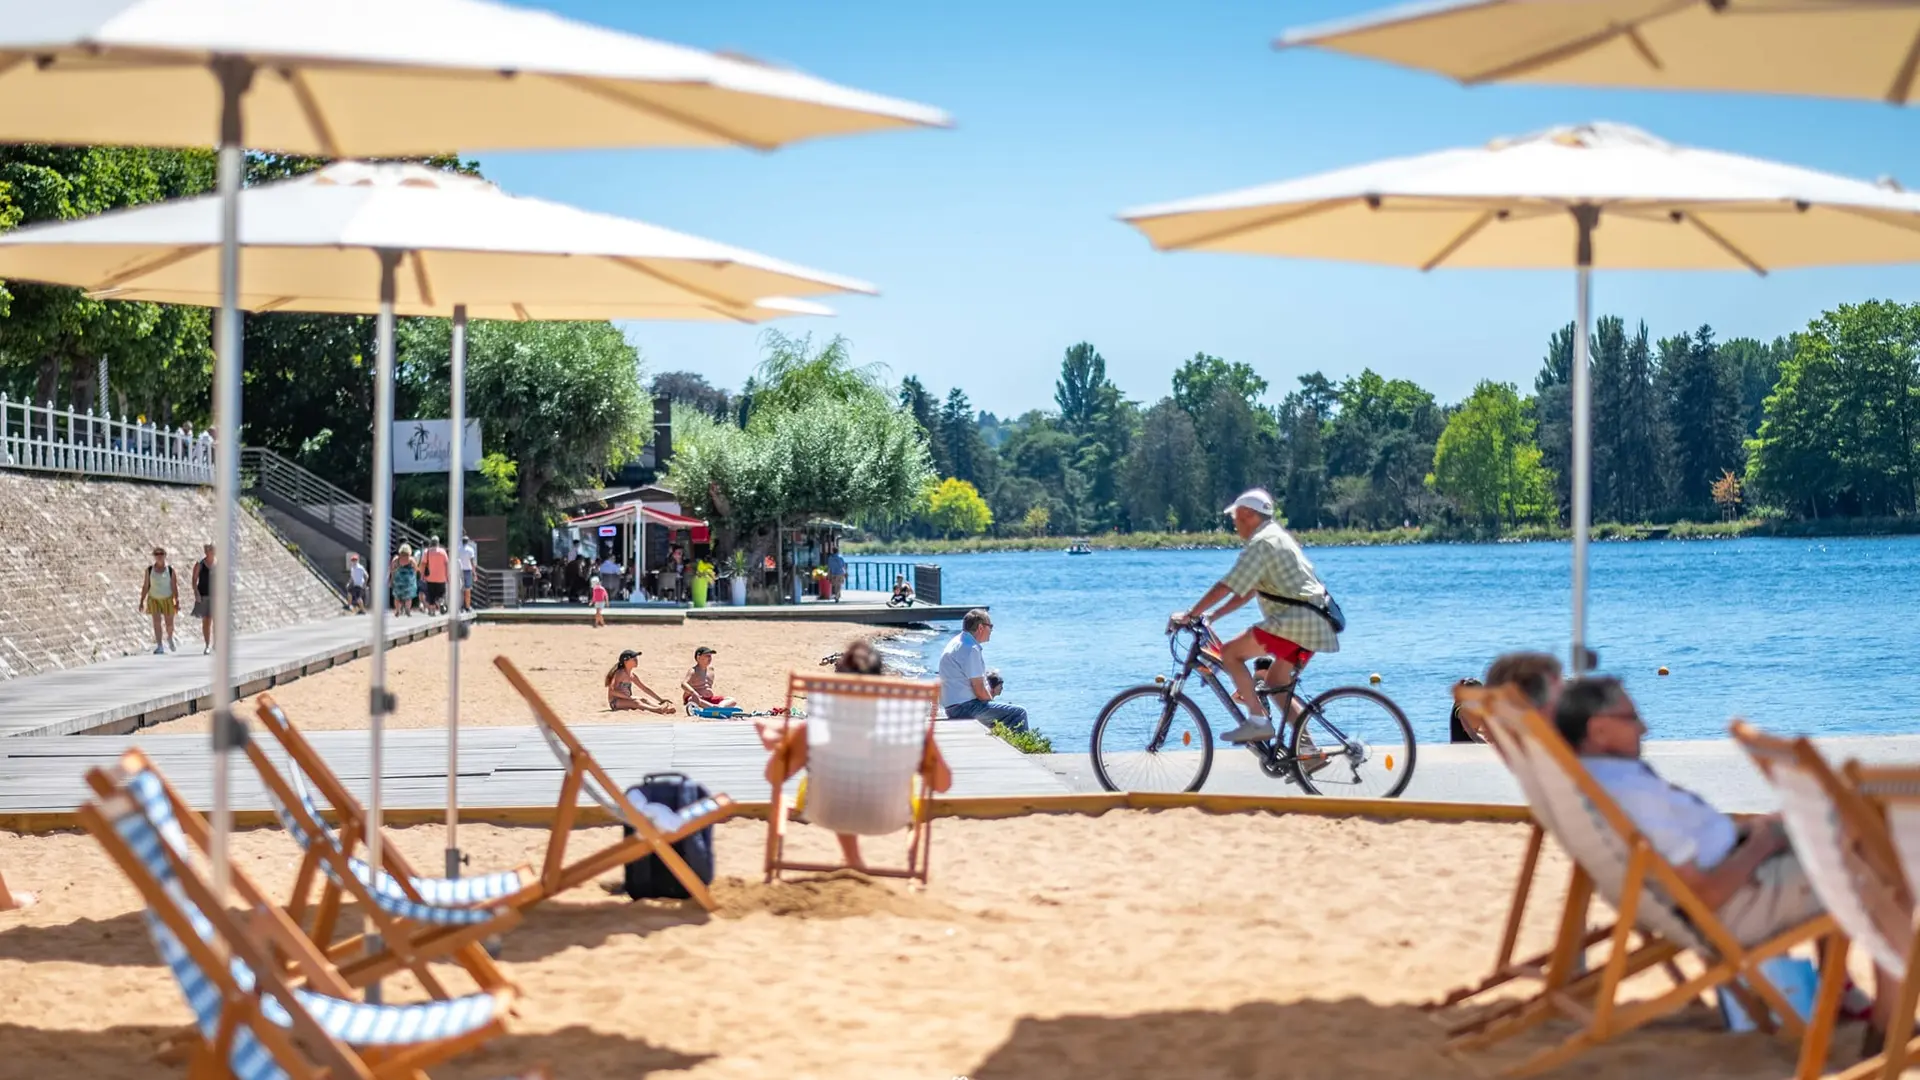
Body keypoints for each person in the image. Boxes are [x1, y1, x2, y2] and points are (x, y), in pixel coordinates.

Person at [1553, 676, 1892, 1031]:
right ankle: (1885, 1027)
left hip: (1721, 872)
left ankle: (1838, 988)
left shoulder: (1598, 782)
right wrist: (1762, 845)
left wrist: (1749, 832)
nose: (1644, 727)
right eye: (1631, 718)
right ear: (1600, 730)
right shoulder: (1631, 795)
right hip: (1736, 902)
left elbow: (1682, 850)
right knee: (1879, 867)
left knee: (1843, 818)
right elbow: (1707, 894)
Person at [759, 639, 953, 873]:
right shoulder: (910, 729)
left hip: (828, 812)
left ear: (837, 682)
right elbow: (942, 784)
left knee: (842, 776)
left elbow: (773, 776)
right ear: (879, 680)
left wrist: (783, 744)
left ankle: (852, 859)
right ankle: (907, 866)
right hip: (891, 814)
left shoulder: (814, 730)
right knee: (865, 777)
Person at [1175, 488, 1340, 744]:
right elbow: (1248, 590)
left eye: (1236, 518)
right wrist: (1212, 616)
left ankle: (1258, 721)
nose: (1234, 524)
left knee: (1230, 653)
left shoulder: (1261, 542)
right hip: (1313, 621)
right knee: (1275, 683)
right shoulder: (1276, 536)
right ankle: (1307, 752)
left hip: (1295, 622)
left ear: (1249, 515)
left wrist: (1190, 614)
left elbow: (1227, 585)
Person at [938, 609, 1031, 732]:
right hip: (965, 708)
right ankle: (1024, 749)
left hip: (953, 707)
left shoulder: (957, 642)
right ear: (981, 627)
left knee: (1002, 711)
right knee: (1018, 713)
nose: (992, 630)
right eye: (990, 626)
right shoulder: (970, 649)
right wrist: (992, 703)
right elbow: (980, 691)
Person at [138, 546, 179, 655]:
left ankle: (170, 637)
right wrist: (142, 600)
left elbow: (174, 586)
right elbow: (146, 585)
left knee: (169, 624)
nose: (159, 556)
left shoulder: (170, 570)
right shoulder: (149, 570)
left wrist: (177, 600)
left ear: (165, 556)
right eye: (156, 554)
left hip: (168, 598)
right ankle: (160, 645)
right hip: (154, 598)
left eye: (161, 554)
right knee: (156, 622)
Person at [605, 649, 675, 713]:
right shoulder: (620, 673)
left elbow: (645, 688)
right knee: (636, 703)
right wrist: (629, 698)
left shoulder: (632, 676)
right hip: (615, 702)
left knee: (644, 700)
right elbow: (612, 691)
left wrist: (660, 700)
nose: (636, 660)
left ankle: (660, 707)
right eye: (634, 659)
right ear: (626, 661)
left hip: (625, 698)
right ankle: (657, 710)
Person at [190, 543, 216, 655]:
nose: (211, 551)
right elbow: (194, 580)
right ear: (206, 551)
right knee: (207, 621)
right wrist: (196, 593)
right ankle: (207, 645)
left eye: (213, 549)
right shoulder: (200, 564)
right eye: (208, 549)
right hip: (204, 595)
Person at [420, 536, 450, 615]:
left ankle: (432, 611)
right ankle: (441, 601)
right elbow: (447, 564)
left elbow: (423, 564)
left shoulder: (427, 552)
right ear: (438, 543)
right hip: (441, 578)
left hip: (430, 578)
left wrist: (422, 575)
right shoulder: (443, 552)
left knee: (431, 595)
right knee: (441, 593)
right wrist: (447, 576)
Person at [390, 544, 420, 617]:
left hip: (398, 581)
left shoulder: (396, 559)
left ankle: (397, 610)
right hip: (408, 582)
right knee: (408, 597)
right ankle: (408, 610)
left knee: (397, 597)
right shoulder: (411, 559)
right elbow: (416, 569)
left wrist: (391, 579)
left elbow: (392, 570)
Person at [459, 533, 478, 610]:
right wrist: (474, 573)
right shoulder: (470, 550)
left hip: (459, 571)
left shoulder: (458, 549)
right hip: (468, 570)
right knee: (468, 589)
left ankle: (460, 606)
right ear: (468, 541)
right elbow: (472, 561)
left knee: (460, 589)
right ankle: (467, 606)